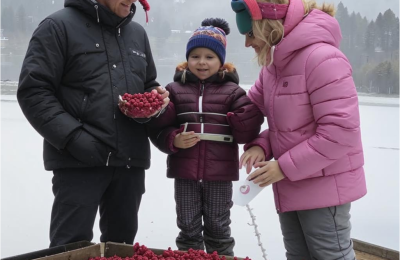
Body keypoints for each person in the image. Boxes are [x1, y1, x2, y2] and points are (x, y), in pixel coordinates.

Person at [17, 0, 169, 247]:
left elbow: (147, 81)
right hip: (78, 159)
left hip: (130, 160)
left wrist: (154, 99)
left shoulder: (137, 33)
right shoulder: (57, 26)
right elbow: (33, 91)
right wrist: (75, 139)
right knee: (70, 248)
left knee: (122, 249)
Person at [231, 0, 367, 259]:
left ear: (267, 24)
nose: (247, 44)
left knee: (331, 255)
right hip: (290, 182)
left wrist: (282, 167)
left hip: (324, 187)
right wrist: (261, 144)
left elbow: (340, 132)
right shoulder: (273, 66)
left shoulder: (323, 59)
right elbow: (278, 124)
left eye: (250, 34)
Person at [148, 18, 264, 256]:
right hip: (185, 173)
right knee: (188, 228)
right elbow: (159, 128)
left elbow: (247, 133)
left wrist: (246, 117)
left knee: (218, 228)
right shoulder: (173, 90)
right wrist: (173, 139)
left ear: (221, 61)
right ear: (187, 59)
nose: (201, 62)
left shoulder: (233, 92)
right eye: (195, 56)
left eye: (209, 57)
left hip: (219, 175)